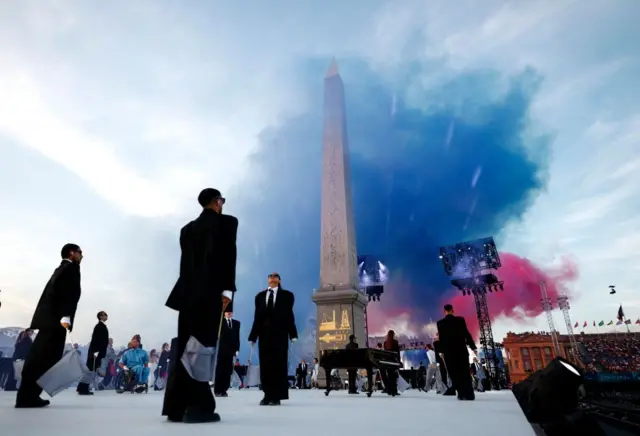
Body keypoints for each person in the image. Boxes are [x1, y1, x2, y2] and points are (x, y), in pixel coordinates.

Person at [162, 188, 238, 423]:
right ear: (217, 202)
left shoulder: (187, 229)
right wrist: (227, 290)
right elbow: (227, 256)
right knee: (203, 347)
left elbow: (188, 264)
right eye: (221, 200)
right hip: (209, 294)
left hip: (186, 296)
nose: (222, 204)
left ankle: (177, 406)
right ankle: (199, 406)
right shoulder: (227, 223)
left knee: (185, 346)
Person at [16, 243, 83, 408]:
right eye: (80, 252)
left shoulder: (60, 269)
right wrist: (65, 320)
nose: (82, 256)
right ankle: (29, 397)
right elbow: (68, 297)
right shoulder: (71, 269)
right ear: (72, 253)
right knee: (44, 360)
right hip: (56, 323)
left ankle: (27, 396)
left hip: (49, 322)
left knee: (39, 358)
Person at [248, 272, 298, 406]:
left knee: (279, 365)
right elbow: (257, 318)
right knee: (265, 365)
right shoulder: (259, 297)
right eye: (270, 276)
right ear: (267, 280)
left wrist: (292, 334)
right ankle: (267, 394)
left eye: (276, 276)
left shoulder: (287, 295)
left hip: (280, 335)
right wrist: (253, 336)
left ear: (279, 280)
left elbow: (289, 315)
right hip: (264, 335)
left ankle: (276, 395)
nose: (272, 278)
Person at [436, 304, 477, 401]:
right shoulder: (460, 320)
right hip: (461, 351)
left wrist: (441, 352)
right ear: (452, 310)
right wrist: (473, 347)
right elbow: (466, 334)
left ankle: (460, 393)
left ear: (444, 311)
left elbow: (441, 339)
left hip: (449, 353)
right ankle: (469, 394)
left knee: (454, 373)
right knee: (465, 372)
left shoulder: (440, 323)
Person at [77, 311, 109, 395]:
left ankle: (82, 387)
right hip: (95, 352)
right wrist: (96, 352)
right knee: (90, 370)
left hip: (96, 352)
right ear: (101, 316)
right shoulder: (99, 326)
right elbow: (96, 340)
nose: (106, 316)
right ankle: (82, 388)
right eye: (105, 315)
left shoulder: (101, 326)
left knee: (91, 370)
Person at [214, 307, 241, 397]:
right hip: (221, 350)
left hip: (231, 350)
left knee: (228, 370)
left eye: (230, 311)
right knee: (220, 369)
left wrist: (237, 349)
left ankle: (224, 389)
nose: (229, 313)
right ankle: (218, 389)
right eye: (227, 311)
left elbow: (237, 337)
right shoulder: (220, 322)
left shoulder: (236, 323)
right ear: (224, 313)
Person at [383, 330, 400, 396]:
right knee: (394, 376)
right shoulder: (395, 342)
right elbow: (397, 353)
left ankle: (389, 390)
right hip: (394, 361)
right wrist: (399, 361)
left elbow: (385, 353)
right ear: (393, 334)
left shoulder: (385, 343)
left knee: (389, 376)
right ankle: (394, 391)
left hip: (387, 361)